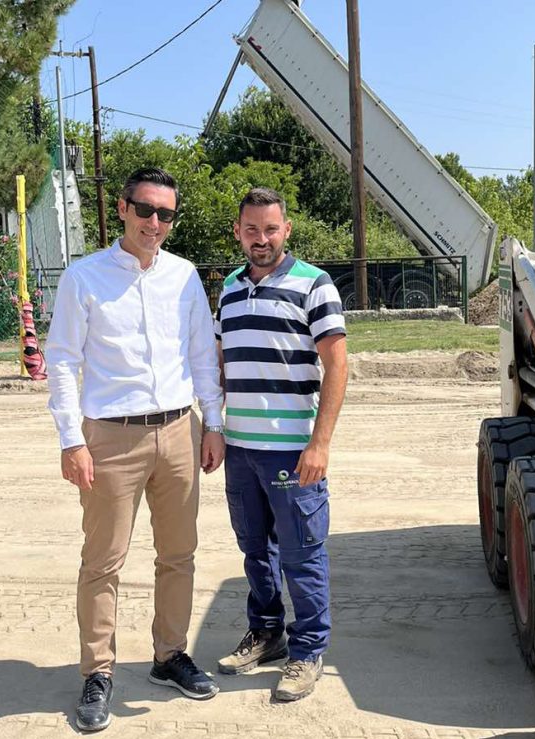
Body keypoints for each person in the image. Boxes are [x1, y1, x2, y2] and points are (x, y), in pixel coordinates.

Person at [45, 167, 226, 732]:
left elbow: (201, 353)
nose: (154, 222)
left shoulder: (183, 275)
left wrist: (213, 423)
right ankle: (97, 672)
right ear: (122, 209)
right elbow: (62, 361)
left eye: (165, 214)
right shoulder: (84, 277)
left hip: (178, 430)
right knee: (103, 562)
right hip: (110, 437)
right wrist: (72, 440)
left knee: (179, 554)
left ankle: (169, 655)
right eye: (145, 209)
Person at [215, 187, 348, 701]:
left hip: (293, 451)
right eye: (252, 229)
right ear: (237, 231)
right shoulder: (228, 289)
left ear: (286, 230)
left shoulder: (314, 284)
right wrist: (213, 430)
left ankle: (308, 650)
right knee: (254, 550)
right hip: (240, 450)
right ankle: (267, 633)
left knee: (302, 554)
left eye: (271, 229)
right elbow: (221, 367)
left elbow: (337, 366)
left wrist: (320, 444)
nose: (262, 239)